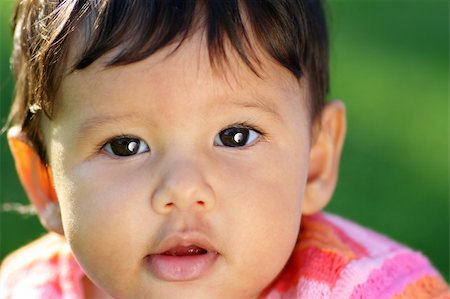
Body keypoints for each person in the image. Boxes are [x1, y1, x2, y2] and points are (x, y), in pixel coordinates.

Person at [0, 0, 448, 298]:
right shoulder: (26, 289)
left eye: (235, 136)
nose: (182, 188)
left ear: (315, 161)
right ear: (46, 183)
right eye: (124, 145)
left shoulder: (368, 290)